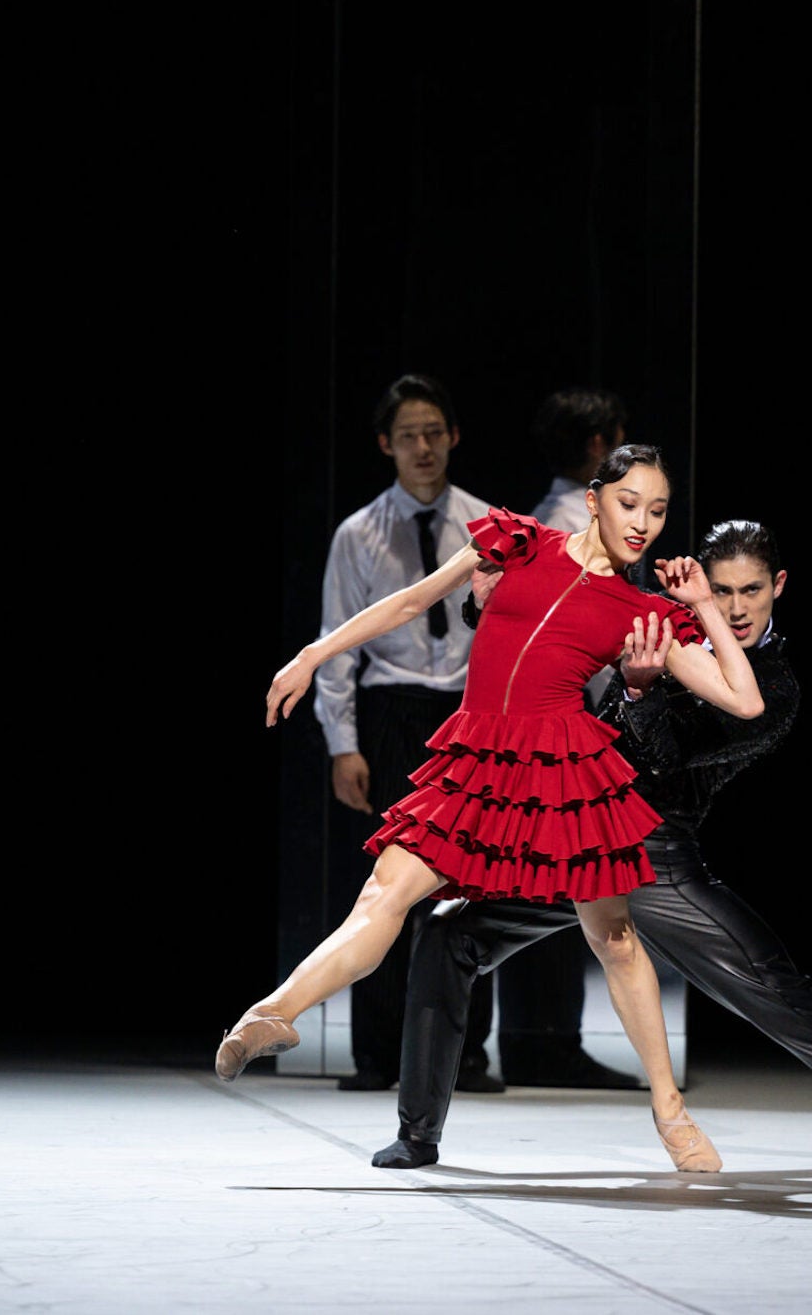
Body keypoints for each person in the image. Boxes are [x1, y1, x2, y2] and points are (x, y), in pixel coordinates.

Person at [371, 519, 812, 1173]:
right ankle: (417, 1133)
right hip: (578, 831)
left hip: (656, 850)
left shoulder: (773, 687)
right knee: (446, 931)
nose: (737, 607)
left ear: (777, 586)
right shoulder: (663, 622)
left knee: (780, 995)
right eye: (721, 591)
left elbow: (666, 762)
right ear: (697, 585)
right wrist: (479, 597)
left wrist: (637, 691)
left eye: (752, 591)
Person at [219, 444, 766, 1173]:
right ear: (595, 497)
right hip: (475, 760)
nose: (642, 522)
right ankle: (272, 1013)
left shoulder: (644, 613)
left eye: (658, 510)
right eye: (629, 502)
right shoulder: (517, 541)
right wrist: (313, 653)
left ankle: (671, 1112)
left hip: (565, 769)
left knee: (616, 939)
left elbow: (745, 699)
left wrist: (701, 604)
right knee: (384, 891)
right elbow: (411, 600)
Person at [311, 374, 498, 1093]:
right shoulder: (357, 533)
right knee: (386, 882)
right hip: (390, 711)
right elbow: (336, 644)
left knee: (470, 885)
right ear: (387, 445)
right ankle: (378, 1053)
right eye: (408, 435)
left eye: (434, 432)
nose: (423, 447)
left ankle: (464, 1055)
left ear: (454, 436)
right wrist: (342, 743)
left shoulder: (489, 525)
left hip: (467, 711)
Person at [485, 387, 642, 1091]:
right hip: (554, 724)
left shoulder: (554, 523)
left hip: (548, 718)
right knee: (553, 884)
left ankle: (544, 1041)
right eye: (618, 442)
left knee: (551, 883)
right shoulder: (565, 530)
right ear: (596, 450)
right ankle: (541, 1043)